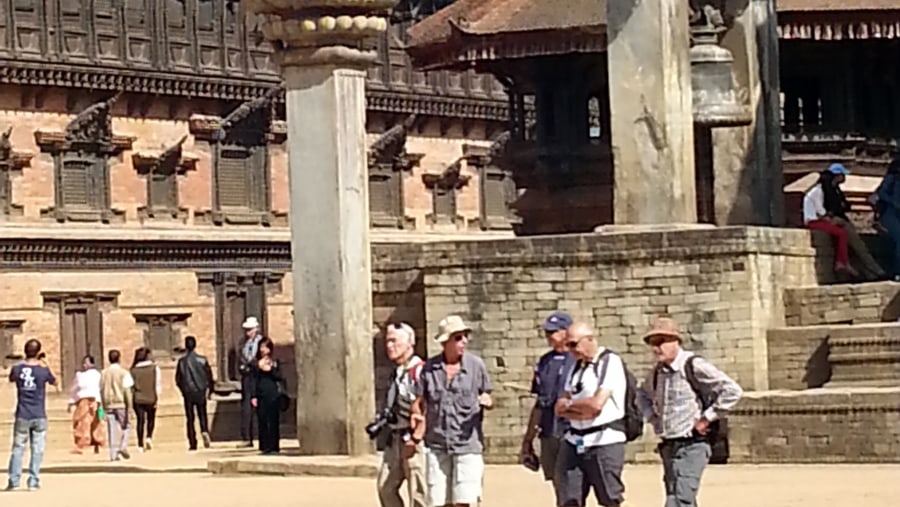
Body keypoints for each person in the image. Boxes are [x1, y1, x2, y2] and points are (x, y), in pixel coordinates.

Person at [637, 317, 743, 507]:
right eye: (653, 343)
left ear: (675, 341)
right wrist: (653, 418)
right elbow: (641, 395)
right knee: (679, 495)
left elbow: (732, 390)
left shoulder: (693, 365)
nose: (656, 348)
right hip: (669, 445)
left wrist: (706, 418)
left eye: (661, 342)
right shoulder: (656, 373)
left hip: (693, 443)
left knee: (679, 499)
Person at [410, 315, 494, 507]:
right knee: (438, 501)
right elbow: (419, 401)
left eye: (465, 336)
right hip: (437, 444)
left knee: (463, 500)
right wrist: (417, 426)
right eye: (458, 337)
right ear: (445, 341)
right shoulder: (429, 369)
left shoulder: (476, 366)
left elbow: (487, 394)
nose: (463, 341)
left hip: (467, 444)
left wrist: (487, 401)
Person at [553, 322, 629, 507]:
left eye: (573, 344)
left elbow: (596, 405)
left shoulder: (609, 362)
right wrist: (579, 410)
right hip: (574, 441)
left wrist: (571, 406)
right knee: (568, 498)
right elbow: (559, 407)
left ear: (589, 339)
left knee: (609, 498)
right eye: (568, 345)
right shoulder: (575, 367)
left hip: (604, 441)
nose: (570, 350)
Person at [520, 311, 577, 496]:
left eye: (553, 332)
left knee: (572, 484)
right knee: (558, 483)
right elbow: (539, 402)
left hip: (571, 431)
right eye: (547, 332)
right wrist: (528, 440)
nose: (549, 336)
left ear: (566, 332)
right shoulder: (544, 362)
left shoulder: (578, 359)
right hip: (548, 432)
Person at [376, 323, 427, 507]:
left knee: (419, 493)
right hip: (395, 437)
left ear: (410, 343)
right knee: (385, 487)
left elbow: (427, 406)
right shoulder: (396, 373)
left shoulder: (420, 371)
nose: (389, 346)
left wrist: (416, 437)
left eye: (394, 341)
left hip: (414, 438)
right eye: (387, 341)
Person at [815, 163, 886, 280]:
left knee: (851, 248)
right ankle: (875, 270)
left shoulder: (835, 189)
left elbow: (846, 205)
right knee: (858, 246)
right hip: (835, 221)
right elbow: (835, 207)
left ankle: (865, 272)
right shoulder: (826, 189)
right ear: (837, 175)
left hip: (838, 220)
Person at [6, 339, 56, 491]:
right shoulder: (43, 370)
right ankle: (33, 480)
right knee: (38, 449)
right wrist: (45, 362)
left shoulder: (17, 369)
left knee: (18, 448)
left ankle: (14, 481)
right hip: (39, 413)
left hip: (23, 412)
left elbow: (11, 378)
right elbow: (54, 381)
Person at [175, 335, 214, 451]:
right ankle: (204, 430)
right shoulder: (202, 360)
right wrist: (210, 390)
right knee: (202, 414)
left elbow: (178, 379)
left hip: (188, 392)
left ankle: (193, 442)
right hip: (200, 391)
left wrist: (183, 390)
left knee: (190, 418)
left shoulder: (182, 362)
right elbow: (209, 376)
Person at [250, 337, 285, 455]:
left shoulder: (274, 361)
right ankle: (264, 445)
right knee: (262, 420)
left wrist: (271, 369)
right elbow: (253, 379)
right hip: (261, 394)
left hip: (273, 394)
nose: (263, 350)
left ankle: (274, 446)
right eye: (261, 347)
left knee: (273, 420)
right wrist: (253, 396)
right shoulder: (256, 362)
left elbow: (279, 376)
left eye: (265, 347)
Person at [100, 349, 134, 462]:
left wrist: (102, 408)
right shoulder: (124, 373)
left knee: (112, 429)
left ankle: (113, 454)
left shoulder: (104, 373)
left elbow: (100, 390)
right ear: (119, 358)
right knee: (126, 426)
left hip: (108, 404)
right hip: (121, 403)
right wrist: (130, 407)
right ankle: (123, 446)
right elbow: (127, 391)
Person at [67, 354, 104, 455]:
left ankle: (94, 442)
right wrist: (71, 402)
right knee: (84, 422)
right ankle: (84, 443)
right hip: (85, 400)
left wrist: (98, 401)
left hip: (94, 400)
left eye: (86, 362)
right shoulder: (80, 375)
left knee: (94, 421)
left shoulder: (97, 375)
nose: (84, 364)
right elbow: (74, 389)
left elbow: (100, 388)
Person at [239, 316, 264, 448]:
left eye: (250, 329)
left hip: (257, 376)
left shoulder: (261, 343)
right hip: (247, 377)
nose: (248, 332)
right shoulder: (245, 343)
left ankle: (261, 435)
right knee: (246, 407)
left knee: (258, 406)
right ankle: (247, 437)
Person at [131, 347, 162, 452]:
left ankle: (140, 444)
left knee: (140, 421)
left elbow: (131, 386)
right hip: (151, 397)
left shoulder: (133, 370)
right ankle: (149, 437)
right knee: (151, 419)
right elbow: (157, 384)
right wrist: (157, 398)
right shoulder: (154, 368)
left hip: (138, 398)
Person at [876, 158, 900, 280]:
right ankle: (897, 271)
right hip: (890, 213)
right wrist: (895, 203)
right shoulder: (892, 179)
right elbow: (881, 193)